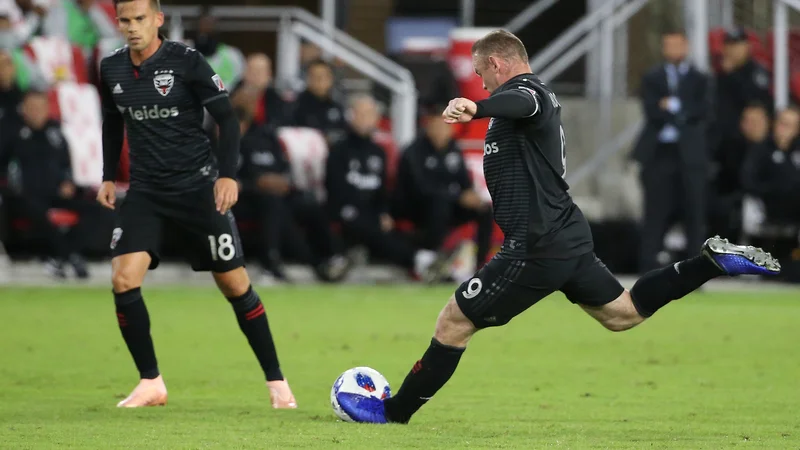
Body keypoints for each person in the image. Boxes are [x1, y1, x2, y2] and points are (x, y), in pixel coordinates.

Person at [339, 30, 781, 425]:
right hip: (564, 234)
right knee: (622, 314)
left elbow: (520, 100)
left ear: (497, 63)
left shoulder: (529, 93)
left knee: (453, 322)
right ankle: (709, 263)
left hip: (536, 244)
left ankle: (395, 414)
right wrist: (486, 107)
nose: (481, 82)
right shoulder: (524, 102)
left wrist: (478, 106)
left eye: (481, 73)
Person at [96, 0, 296, 409]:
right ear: (117, 23)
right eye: (125, 21)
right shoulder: (111, 67)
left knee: (234, 284)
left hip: (197, 189)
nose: (132, 28)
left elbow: (227, 119)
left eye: (139, 20)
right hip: (147, 191)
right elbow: (113, 121)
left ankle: (277, 382)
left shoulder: (187, 61)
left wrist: (227, 174)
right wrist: (106, 176)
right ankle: (150, 381)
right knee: (123, 279)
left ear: (157, 20)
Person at [325, 94, 443, 280]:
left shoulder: (378, 152)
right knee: (368, 225)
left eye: (369, 114)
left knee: (387, 224)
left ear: (376, 118)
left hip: (371, 213)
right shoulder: (340, 149)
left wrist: (383, 212)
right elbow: (335, 187)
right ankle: (419, 259)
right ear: (351, 116)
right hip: (346, 210)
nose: (365, 119)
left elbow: (381, 190)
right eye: (360, 113)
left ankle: (423, 260)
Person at [235, 107, 350, 282]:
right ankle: (285, 263)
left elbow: (284, 169)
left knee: (310, 206)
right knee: (276, 208)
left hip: (278, 194)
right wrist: (254, 184)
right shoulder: (225, 145)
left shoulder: (266, 140)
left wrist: (281, 182)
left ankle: (335, 255)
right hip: (246, 200)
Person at [632, 29, 711, 273]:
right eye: (668, 45)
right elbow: (652, 111)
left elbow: (704, 111)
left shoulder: (701, 79)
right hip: (659, 153)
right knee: (654, 212)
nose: (673, 50)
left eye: (677, 45)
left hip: (690, 155)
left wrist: (673, 107)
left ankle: (695, 271)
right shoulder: (652, 77)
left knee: (694, 212)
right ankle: (647, 267)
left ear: (686, 46)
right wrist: (683, 113)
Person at [0, 90, 91, 278]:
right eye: (31, 108)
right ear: (23, 109)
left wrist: (68, 181)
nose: (36, 112)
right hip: (22, 196)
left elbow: (66, 163)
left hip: (55, 193)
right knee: (37, 211)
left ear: (48, 108)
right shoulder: (11, 132)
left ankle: (60, 257)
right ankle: (70, 256)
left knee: (97, 208)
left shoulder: (55, 132)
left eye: (40, 107)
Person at [393, 103, 494, 268]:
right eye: (437, 125)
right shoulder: (413, 152)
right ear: (428, 126)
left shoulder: (453, 149)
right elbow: (420, 188)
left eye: (446, 126)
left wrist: (470, 195)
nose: (442, 130)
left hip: (448, 204)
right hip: (416, 207)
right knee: (439, 203)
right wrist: (457, 196)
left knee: (484, 209)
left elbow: (464, 182)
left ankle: (481, 265)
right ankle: (431, 260)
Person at [740, 107, 800, 225]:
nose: (785, 130)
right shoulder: (761, 150)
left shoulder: (797, 151)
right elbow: (747, 179)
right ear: (775, 124)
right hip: (767, 205)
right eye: (783, 123)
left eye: (791, 125)